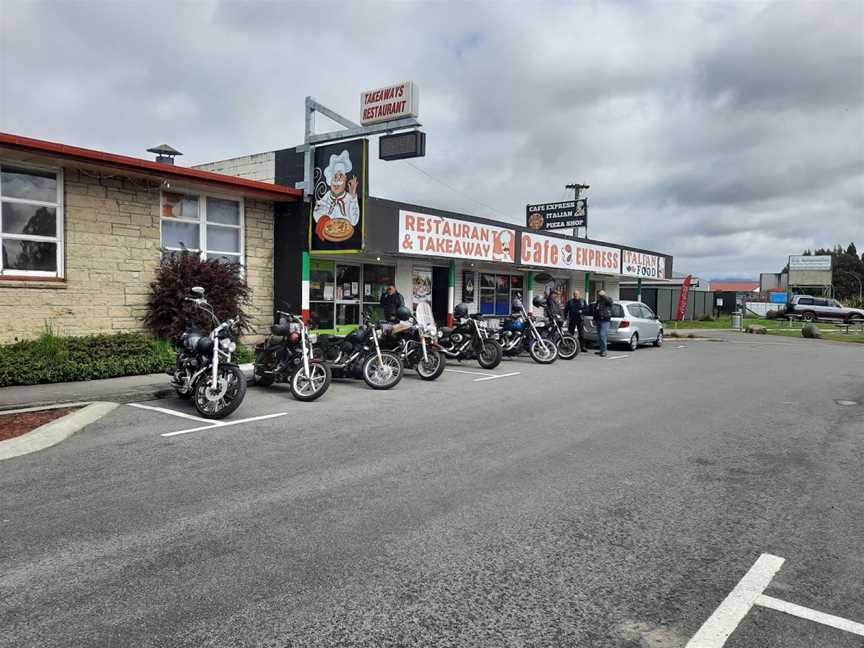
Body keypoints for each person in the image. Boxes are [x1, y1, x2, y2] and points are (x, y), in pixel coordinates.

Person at [312, 150, 360, 241]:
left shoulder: (350, 198)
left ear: (345, 179)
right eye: (335, 176)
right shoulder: (326, 197)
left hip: (346, 237)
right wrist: (324, 218)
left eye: (341, 176)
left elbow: (354, 221)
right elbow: (317, 212)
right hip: (328, 236)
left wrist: (353, 196)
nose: (337, 180)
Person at [592, 289, 614, 357]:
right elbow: (596, 311)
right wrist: (594, 319)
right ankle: (601, 350)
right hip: (598, 320)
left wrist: (604, 295)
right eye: (598, 294)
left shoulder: (608, 300)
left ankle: (604, 351)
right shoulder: (598, 301)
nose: (599, 295)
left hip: (605, 320)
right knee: (599, 336)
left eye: (600, 294)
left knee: (602, 335)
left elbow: (610, 302)